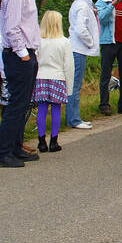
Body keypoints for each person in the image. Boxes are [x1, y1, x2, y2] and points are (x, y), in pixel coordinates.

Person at [0, 0, 45, 168]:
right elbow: (12, 27)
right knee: (16, 105)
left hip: (26, 54)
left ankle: (15, 147)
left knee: (22, 104)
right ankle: (2, 152)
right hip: (18, 55)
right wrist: (23, 53)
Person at [32, 11, 74, 153]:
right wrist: (69, 88)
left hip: (41, 76)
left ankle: (41, 141)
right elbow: (68, 66)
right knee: (56, 109)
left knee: (42, 109)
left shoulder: (38, 41)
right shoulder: (65, 42)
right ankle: (54, 141)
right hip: (58, 76)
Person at [66, 0, 98, 129]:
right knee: (74, 85)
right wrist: (90, 42)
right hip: (77, 50)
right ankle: (73, 119)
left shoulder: (81, 4)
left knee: (74, 85)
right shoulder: (82, 6)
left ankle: (74, 117)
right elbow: (80, 29)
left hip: (76, 49)